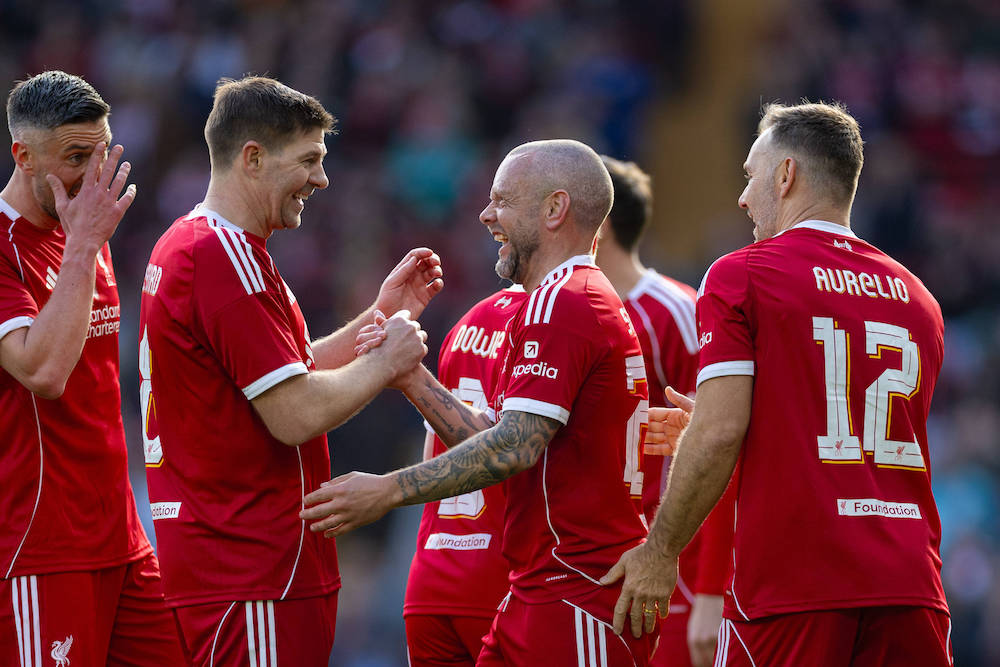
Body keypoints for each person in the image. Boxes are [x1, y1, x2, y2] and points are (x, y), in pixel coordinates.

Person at [603, 102, 952, 666]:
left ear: (785, 175)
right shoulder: (920, 300)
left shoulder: (744, 273)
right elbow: (849, 428)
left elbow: (719, 434)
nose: (743, 198)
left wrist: (660, 552)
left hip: (796, 591)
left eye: (749, 175)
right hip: (912, 590)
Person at [303, 139, 654, 665]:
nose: (487, 215)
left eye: (502, 200)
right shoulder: (558, 300)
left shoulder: (565, 300)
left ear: (555, 209)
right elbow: (497, 441)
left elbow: (513, 450)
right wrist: (409, 376)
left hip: (580, 592)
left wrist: (387, 491)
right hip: (540, 586)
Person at [138, 76, 441, 666]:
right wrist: (388, 362)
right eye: (308, 160)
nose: (321, 179)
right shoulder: (221, 260)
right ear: (253, 158)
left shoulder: (203, 245)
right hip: (250, 571)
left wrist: (379, 318)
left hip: (238, 568)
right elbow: (294, 412)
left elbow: (288, 373)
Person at [0, 71, 184, 665]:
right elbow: (44, 372)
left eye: (102, 153)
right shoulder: (31, 243)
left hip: (121, 539)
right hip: (39, 547)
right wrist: (83, 243)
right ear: (23, 156)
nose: (94, 177)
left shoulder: (84, 233)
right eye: (77, 157)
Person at [595, 155, 733, 667]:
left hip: (671, 561)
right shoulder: (563, 310)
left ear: (599, 223)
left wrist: (711, 586)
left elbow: (716, 434)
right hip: (599, 554)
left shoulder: (674, 311)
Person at [402, 284, 527, 666]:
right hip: (506, 582)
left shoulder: (465, 324)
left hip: (430, 577)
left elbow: (433, 458)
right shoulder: (551, 319)